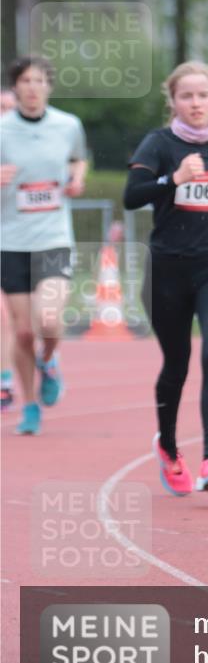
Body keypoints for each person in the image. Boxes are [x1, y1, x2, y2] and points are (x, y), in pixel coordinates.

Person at [124, 61, 208, 496]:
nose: (196, 103)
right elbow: (131, 197)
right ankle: (167, 446)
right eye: (187, 96)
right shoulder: (158, 144)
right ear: (173, 101)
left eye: (203, 95)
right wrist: (171, 179)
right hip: (166, 270)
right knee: (176, 364)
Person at [0, 57, 88, 434]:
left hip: (53, 238)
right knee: (21, 333)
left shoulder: (68, 125)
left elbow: (78, 159)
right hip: (11, 240)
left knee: (49, 320)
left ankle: (49, 360)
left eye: (39, 80)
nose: (32, 87)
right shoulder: (2, 129)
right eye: (25, 80)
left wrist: (77, 179)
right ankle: (31, 406)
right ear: (15, 87)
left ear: (49, 86)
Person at [1, 88, 17, 410]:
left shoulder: (39, 144)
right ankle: (4, 379)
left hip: (26, 239)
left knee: (23, 321)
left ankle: (45, 355)